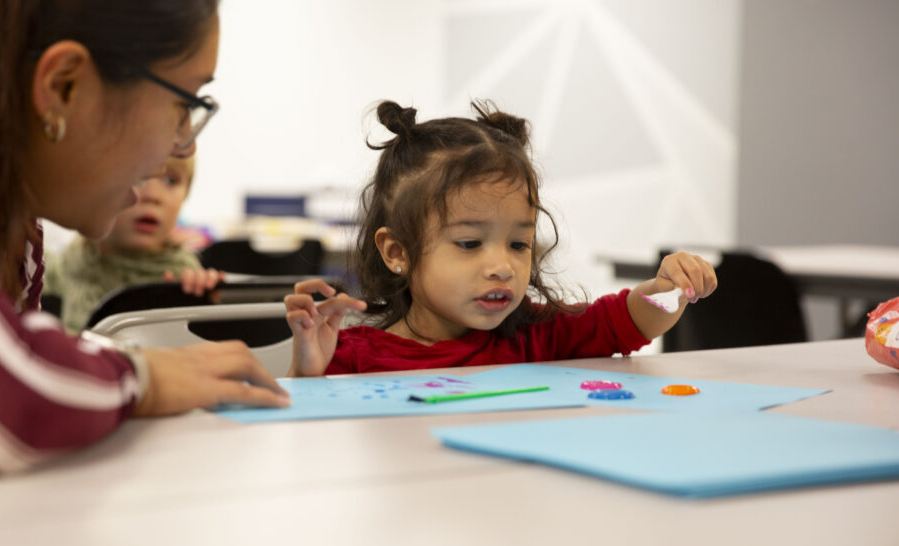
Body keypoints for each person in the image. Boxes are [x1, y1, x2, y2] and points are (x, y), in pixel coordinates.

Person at [0, 0, 289, 475]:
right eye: (183, 104)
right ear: (64, 86)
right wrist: (145, 376)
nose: (184, 145)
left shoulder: (10, 220)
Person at [284, 100, 718, 376]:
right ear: (398, 252)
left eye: (518, 244)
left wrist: (666, 290)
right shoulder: (354, 357)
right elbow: (303, 446)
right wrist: (306, 375)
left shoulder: (537, 337)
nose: (503, 266)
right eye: (470, 244)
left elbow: (625, 322)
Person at [44, 153, 222, 332]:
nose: (153, 196)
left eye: (170, 181)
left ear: (186, 194)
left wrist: (204, 301)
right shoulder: (68, 263)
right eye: (138, 177)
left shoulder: (185, 278)